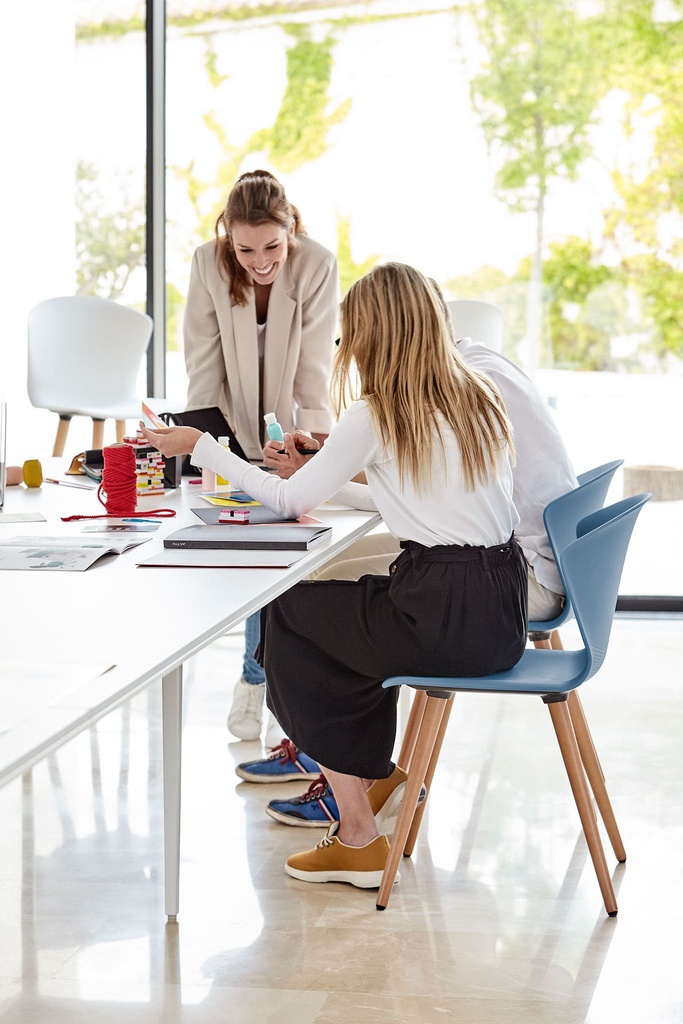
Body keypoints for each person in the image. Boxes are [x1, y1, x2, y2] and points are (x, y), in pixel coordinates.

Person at [140, 262, 529, 890]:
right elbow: (410, 499)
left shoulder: (378, 413)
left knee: (289, 616)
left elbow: (286, 502)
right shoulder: (476, 397)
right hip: (500, 609)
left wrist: (202, 448)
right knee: (337, 620)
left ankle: (357, 834)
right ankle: (373, 779)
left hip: (438, 613)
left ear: (372, 335)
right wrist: (319, 475)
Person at [234, 284, 579, 829]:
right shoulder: (472, 382)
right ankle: (357, 768)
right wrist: (330, 461)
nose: (349, 351)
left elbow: (304, 496)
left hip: (488, 594)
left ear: (377, 336)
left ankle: (350, 793)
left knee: (297, 606)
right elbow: (422, 485)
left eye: (350, 337)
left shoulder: (417, 398)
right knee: (321, 587)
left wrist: (202, 449)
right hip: (504, 589)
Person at [183, 168, 338, 745]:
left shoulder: (316, 264)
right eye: (245, 249)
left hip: (293, 432)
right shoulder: (208, 263)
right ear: (227, 236)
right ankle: (258, 680)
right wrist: (206, 448)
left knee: (285, 558)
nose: (260, 261)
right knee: (255, 557)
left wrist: (310, 454)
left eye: (272, 246)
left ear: (290, 228)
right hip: (230, 427)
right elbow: (203, 362)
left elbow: (314, 367)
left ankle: (264, 684)